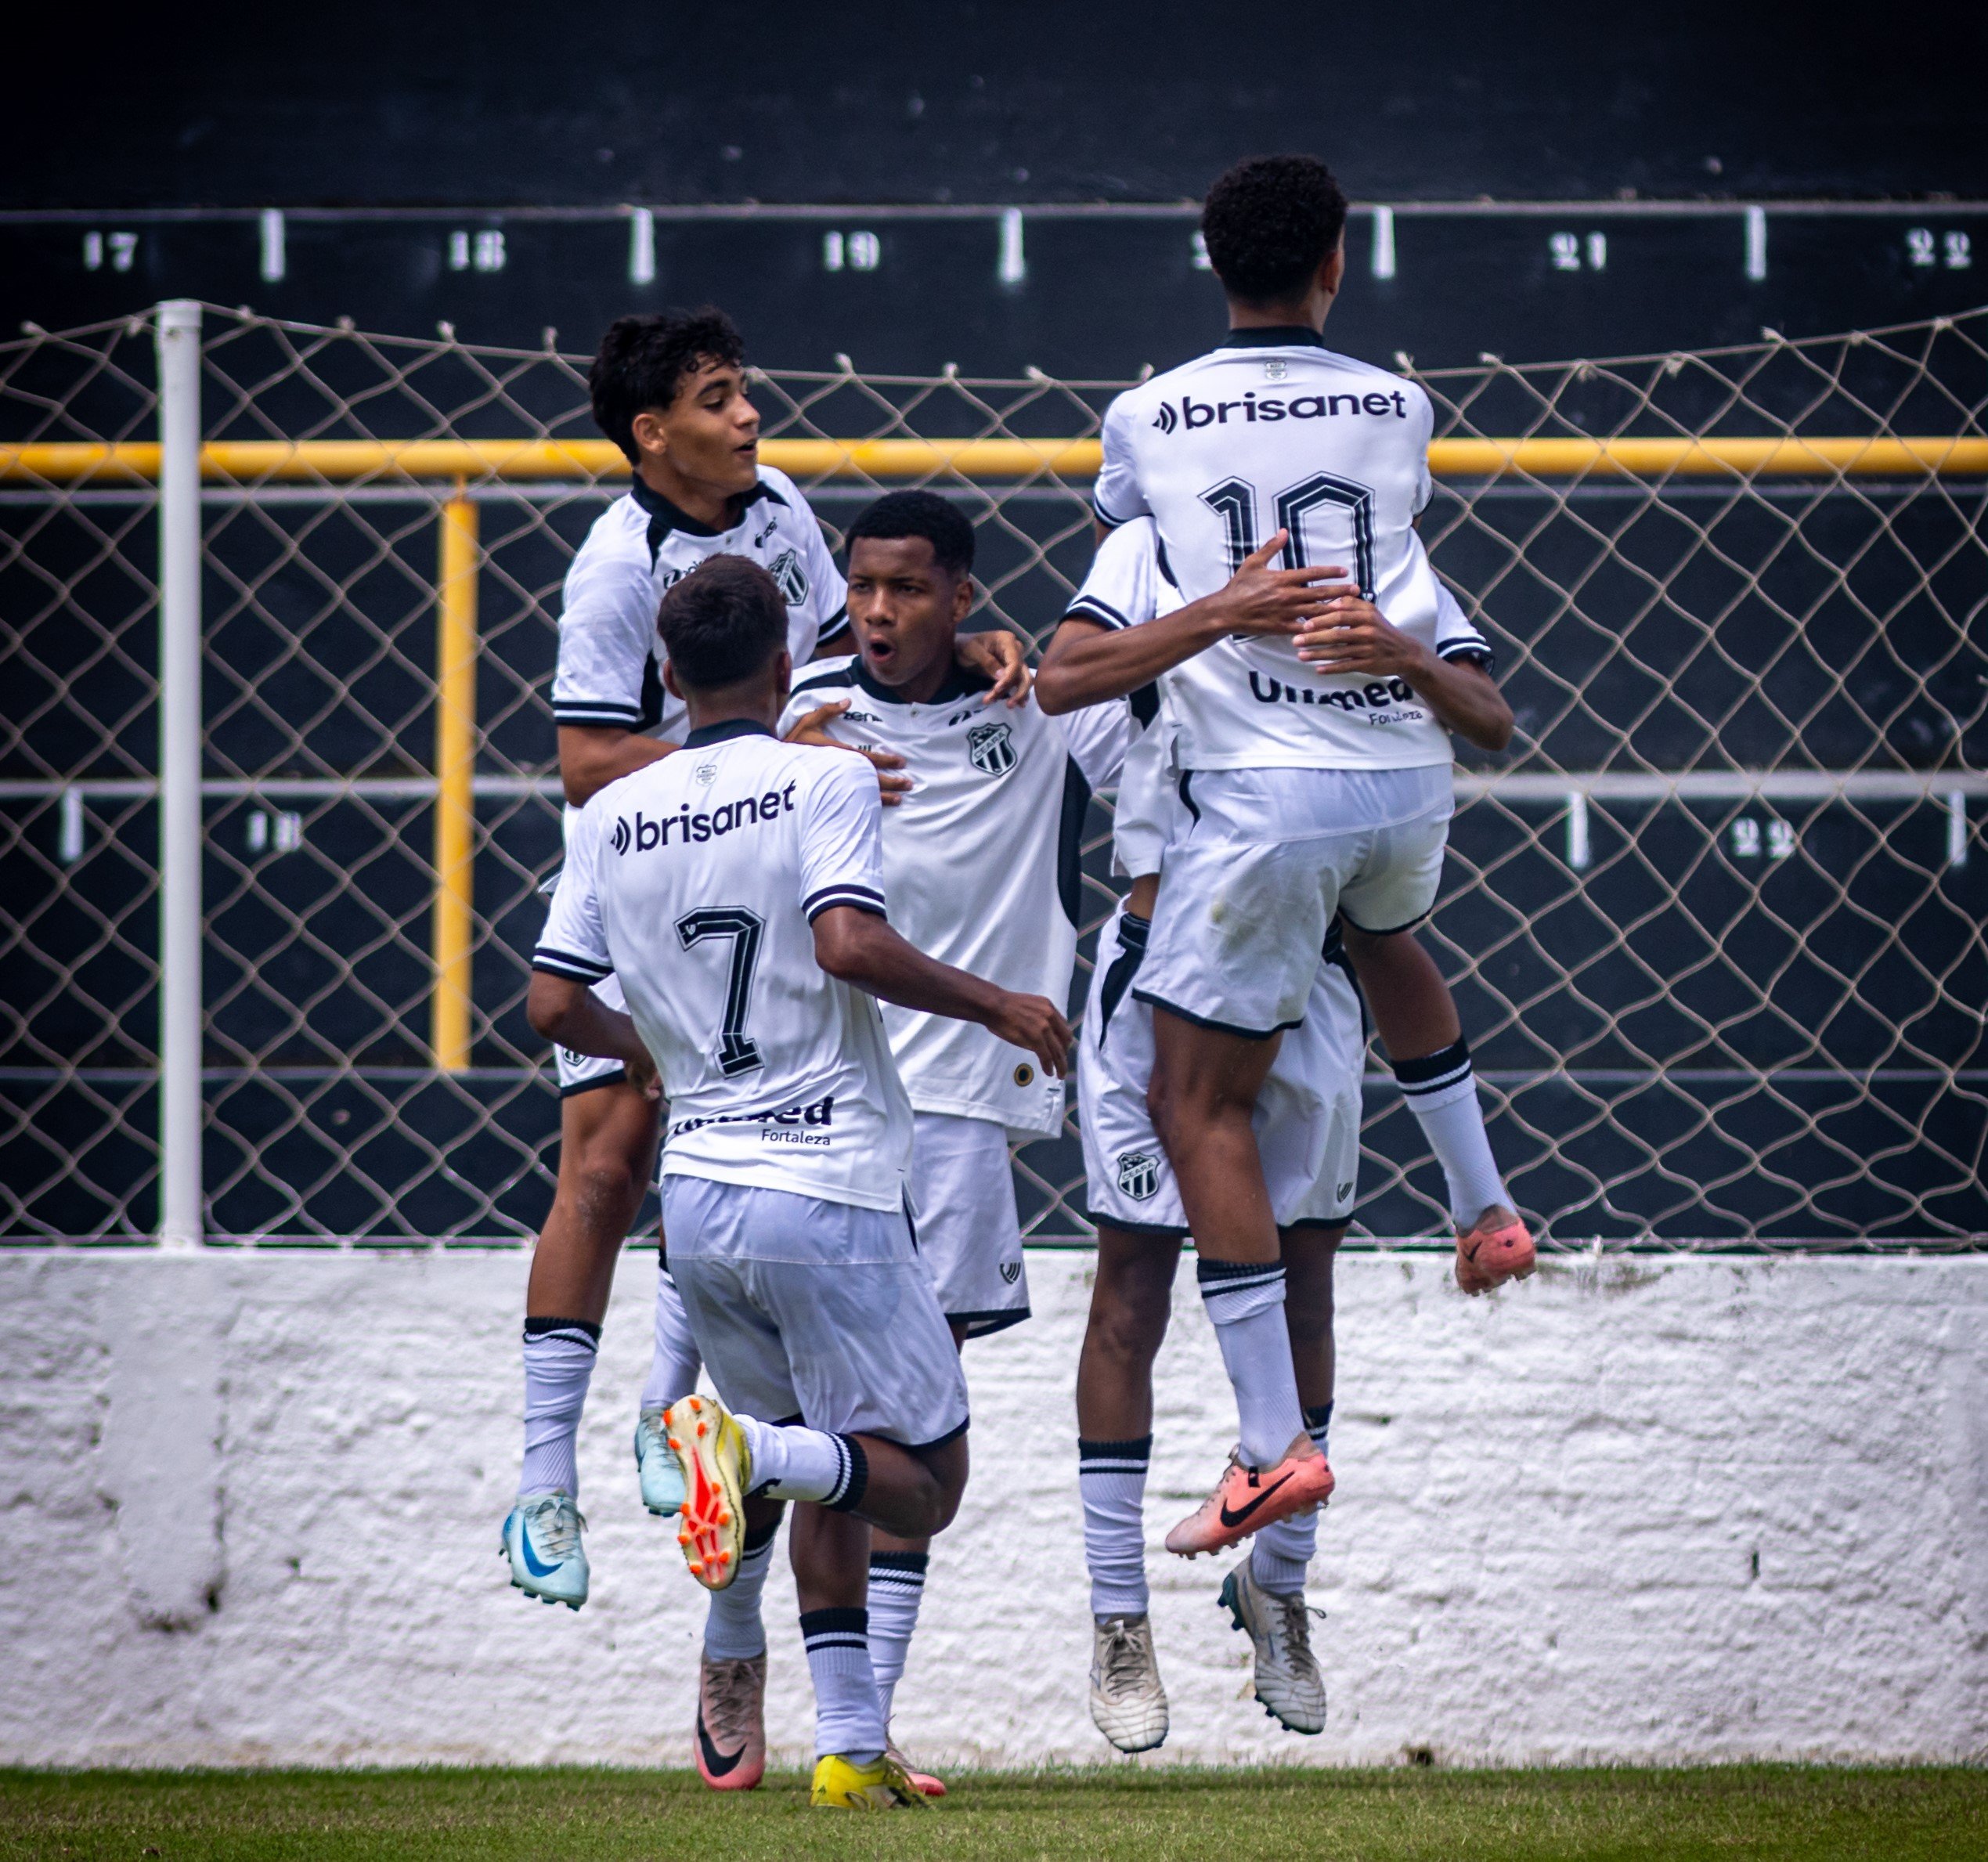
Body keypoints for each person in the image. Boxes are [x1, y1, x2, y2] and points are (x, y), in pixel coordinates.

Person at [501, 307, 1026, 1618]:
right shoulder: (615, 569)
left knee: (718, 1151)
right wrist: (758, 759)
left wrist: (968, 648)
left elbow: (836, 655)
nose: (749, 417)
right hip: (652, 874)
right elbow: (581, 765)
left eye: (745, 391)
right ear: (650, 433)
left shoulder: (780, 504)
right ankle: (540, 1479)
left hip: (743, 856)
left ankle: (662, 1422)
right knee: (610, 1164)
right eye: (721, 398)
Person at [528, 554, 1070, 1809]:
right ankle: (742, 1444)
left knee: (832, 1458)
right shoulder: (822, 775)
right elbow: (847, 940)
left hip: (701, 1203)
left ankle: (849, 1743)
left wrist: (652, 1048)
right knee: (922, 1480)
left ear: (667, 677)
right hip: (825, 1182)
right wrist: (996, 1003)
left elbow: (553, 999)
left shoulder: (619, 810)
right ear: (787, 667)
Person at [1063, 153, 1525, 1564]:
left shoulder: (1148, 423)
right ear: (1339, 264)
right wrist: (1385, 637)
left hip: (1261, 798)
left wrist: (1221, 598)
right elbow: (1484, 699)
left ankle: (1273, 1449)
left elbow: (1098, 612)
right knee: (1391, 943)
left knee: (1190, 1100)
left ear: (1213, 269)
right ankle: (1483, 1203)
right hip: (1401, 781)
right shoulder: (1405, 410)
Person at [751, 489, 1127, 1784]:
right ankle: (780, 1667)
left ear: (963, 599)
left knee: (894, 1445)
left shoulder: (1033, 706)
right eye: (861, 586)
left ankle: (856, 1730)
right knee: (878, 1443)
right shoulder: (804, 723)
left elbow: (1112, 675)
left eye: (909, 589)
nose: (877, 611)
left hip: (961, 1114)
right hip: (820, 1109)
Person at [1041, 516, 1358, 1750]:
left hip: (1308, 965)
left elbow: (1456, 713)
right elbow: (1062, 678)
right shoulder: (1146, 552)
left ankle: (1279, 1581)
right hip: (1157, 962)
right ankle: (1119, 1616)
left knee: (1309, 1287)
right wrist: (1221, 609)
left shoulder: (1361, 545)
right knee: (1131, 1286)